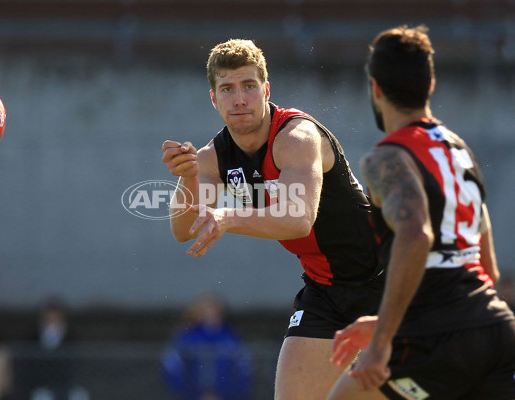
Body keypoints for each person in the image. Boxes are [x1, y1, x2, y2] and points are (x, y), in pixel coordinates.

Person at [162, 39, 383, 398]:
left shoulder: (296, 137)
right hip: (325, 292)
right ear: (214, 99)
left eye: (249, 86)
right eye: (227, 89)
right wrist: (187, 175)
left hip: (387, 283)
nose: (239, 99)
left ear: (266, 90)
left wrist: (229, 216)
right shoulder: (213, 157)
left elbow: (298, 220)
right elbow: (183, 230)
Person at [328, 25, 515, 400]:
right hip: (497, 330)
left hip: (437, 341)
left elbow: (416, 235)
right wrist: (390, 324)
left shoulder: (387, 158)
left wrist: (382, 342)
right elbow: (486, 269)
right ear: (430, 86)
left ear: (376, 89)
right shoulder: (459, 152)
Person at [160, 292, 253, 400]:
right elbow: (171, 367)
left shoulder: (230, 338)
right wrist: (189, 393)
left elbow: (244, 369)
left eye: (213, 309)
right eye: (205, 310)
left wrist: (227, 393)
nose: (210, 314)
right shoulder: (187, 337)